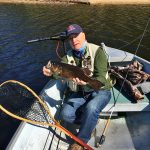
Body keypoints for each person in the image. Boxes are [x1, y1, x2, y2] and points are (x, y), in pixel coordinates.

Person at [43, 24, 112, 150]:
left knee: (91, 107)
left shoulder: (98, 51)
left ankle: (80, 142)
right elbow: (58, 73)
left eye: (76, 36)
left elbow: (102, 77)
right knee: (65, 114)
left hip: (101, 89)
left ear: (83, 35)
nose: (74, 40)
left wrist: (87, 82)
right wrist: (50, 73)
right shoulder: (67, 57)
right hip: (80, 92)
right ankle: (90, 122)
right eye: (71, 38)